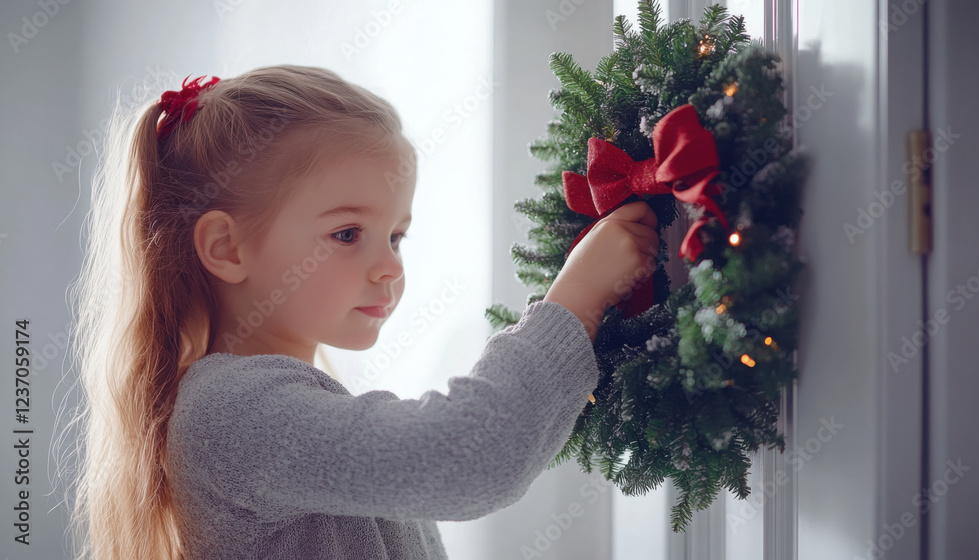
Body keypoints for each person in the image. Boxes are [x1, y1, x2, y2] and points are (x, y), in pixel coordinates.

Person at [64, 64, 659, 560]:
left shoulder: (275, 398)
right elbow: (470, 456)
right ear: (227, 248)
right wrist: (574, 303)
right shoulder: (231, 412)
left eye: (396, 236)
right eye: (348, 233)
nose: (390, 268)